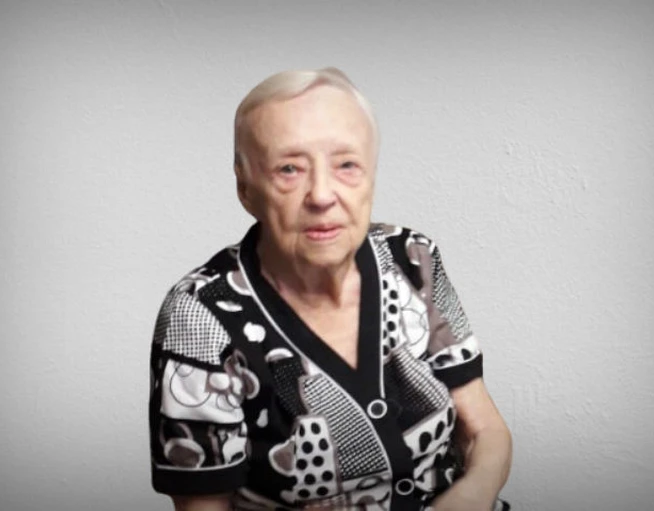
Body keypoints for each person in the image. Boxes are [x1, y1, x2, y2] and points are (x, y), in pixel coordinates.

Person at [148, 67, 512, 511]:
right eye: (289, 169)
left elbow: (485, 430)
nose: (322, 195)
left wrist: (469, 498)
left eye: (346, 165)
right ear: (246, 188)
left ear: (371, 176)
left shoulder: (412, 258)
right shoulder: (200, 315)